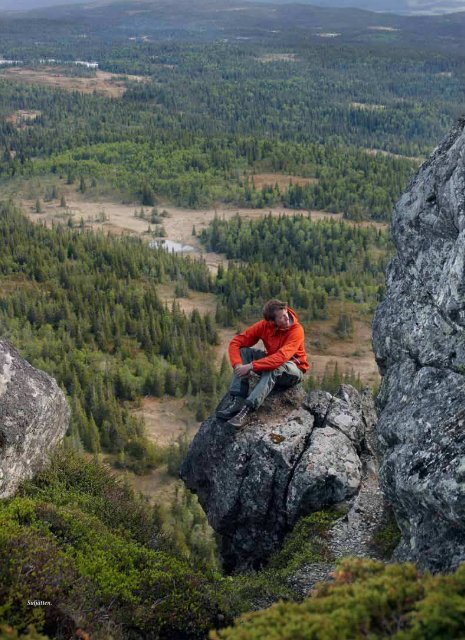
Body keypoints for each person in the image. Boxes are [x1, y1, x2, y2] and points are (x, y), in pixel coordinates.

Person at [217, 299, 309, 428]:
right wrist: (238, 366)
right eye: (282, 317)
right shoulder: (264, 326)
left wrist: (251, 366)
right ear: (272, 322)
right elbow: (236, 342)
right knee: (244, 352)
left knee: (275, 367)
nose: (287, 317)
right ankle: (237, 400)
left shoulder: (297, 330)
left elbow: (281, 357)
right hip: (273, 363)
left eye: (286, 313)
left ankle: (246, 411)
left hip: (293, 371)